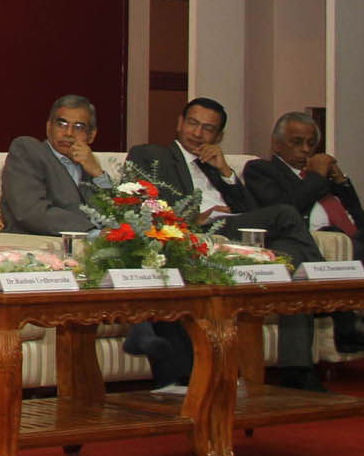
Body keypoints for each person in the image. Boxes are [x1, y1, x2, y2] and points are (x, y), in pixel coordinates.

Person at [127, 98, 323, 391]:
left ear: (218, 137)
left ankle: (298, 371)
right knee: (286, 214)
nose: (197, 133)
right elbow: (143, 204)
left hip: (235, 231)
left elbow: (252, 213)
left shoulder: (214, 165)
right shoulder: (152, 155)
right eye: (192, 123)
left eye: (208, 129)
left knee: (293, 250)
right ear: (179, 123)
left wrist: (227, 173)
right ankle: (329, 295)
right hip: (198, 230)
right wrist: (196, 217)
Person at [247, 111, 364, 352]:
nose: (306, 150)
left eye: (311, 143)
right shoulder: (261, 170)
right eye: (297, 142)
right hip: (317, 243)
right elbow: (285, 211)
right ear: (277, 144)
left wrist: (342, 183)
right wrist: (316, 176)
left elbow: (362, 221)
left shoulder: (322, 177)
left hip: (352, 240)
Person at [0, 95, 112, 235]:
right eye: (61, 124)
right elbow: (31, 210)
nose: (68, 133)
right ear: (49, 128)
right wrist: (91, 232)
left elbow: (115, 215)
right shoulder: (28, 150)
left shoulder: (88, 165)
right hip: (33, 242)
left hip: (89, 245)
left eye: (78, 127)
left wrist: (98, 173)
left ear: (91, 135)